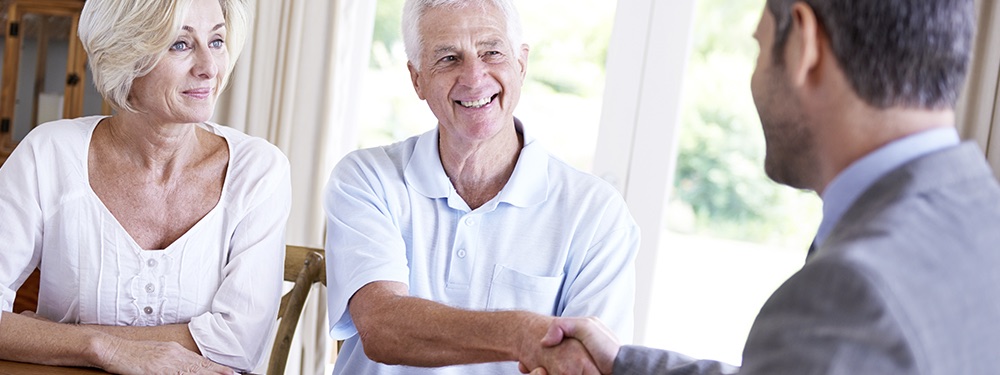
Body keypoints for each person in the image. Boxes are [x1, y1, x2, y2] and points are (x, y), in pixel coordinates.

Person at [530, 0, 1000, 374]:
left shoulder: (851, 295)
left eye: (758, 48)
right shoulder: (980, 214)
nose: (755, 78)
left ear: (804, 45)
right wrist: (622, 364)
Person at [323, 0, 640, 373]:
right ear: (417, 79)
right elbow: (383, 326)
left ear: (520, 65)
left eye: (492, 52)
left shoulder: (597, 212)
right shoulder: (366, 177)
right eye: (448, 58)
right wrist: (526, 333)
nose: (474, 78)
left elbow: (589, 363)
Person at [0, 0, 290, 373]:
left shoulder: (258, 169)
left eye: (216, 41)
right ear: (125, 55)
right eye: (180, 44)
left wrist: (58, 336)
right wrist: (102, 348)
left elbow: (238, 345)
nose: (209, 68)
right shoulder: (49, 153)